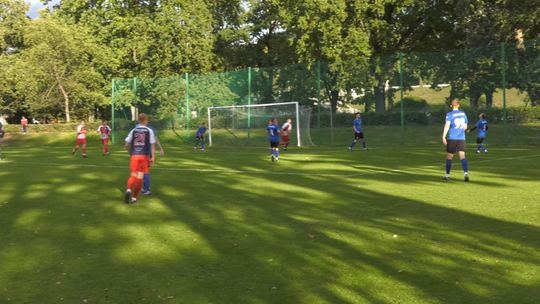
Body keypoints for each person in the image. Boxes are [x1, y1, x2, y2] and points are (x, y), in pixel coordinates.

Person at [124, 113, 156, 204]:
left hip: (134, 155)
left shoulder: (133, 130)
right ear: (146, 121)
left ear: (138, 120)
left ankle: (129, 190)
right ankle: (134, 198)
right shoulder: (149, 131)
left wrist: (130, 151)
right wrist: (153, 157)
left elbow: (126, 144)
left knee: (133, 174)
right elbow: (152, 145)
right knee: (140, 176)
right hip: (144, 156)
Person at [442, 99, 469, 182]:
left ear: (451, 106)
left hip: (452, 138)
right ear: (458, 105)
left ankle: (447, 175)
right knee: (462, 156)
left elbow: (447, 126)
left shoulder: (449, 114)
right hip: (461, 138)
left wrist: (443, 136)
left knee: (449, 157)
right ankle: (465, 173)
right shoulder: (463, 114)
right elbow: (465, 127)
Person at [137, 123, 164, 196]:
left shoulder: (149, 129)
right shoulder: (138, 127)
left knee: (144, 171)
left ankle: (147, 189)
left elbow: (155, 139)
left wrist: (160, 149)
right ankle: (144, 187)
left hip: (146, 153)